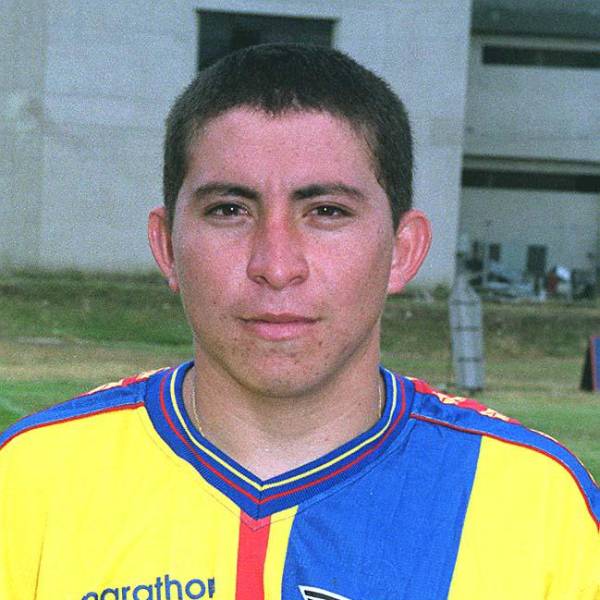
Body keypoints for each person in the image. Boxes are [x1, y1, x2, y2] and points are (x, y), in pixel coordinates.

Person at [0, 44, 598, 600]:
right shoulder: (28, 479)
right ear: (167, 247)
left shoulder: (540, 504)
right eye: (229, 210)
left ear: (403, 250)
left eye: (327, 211)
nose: (276, 266)